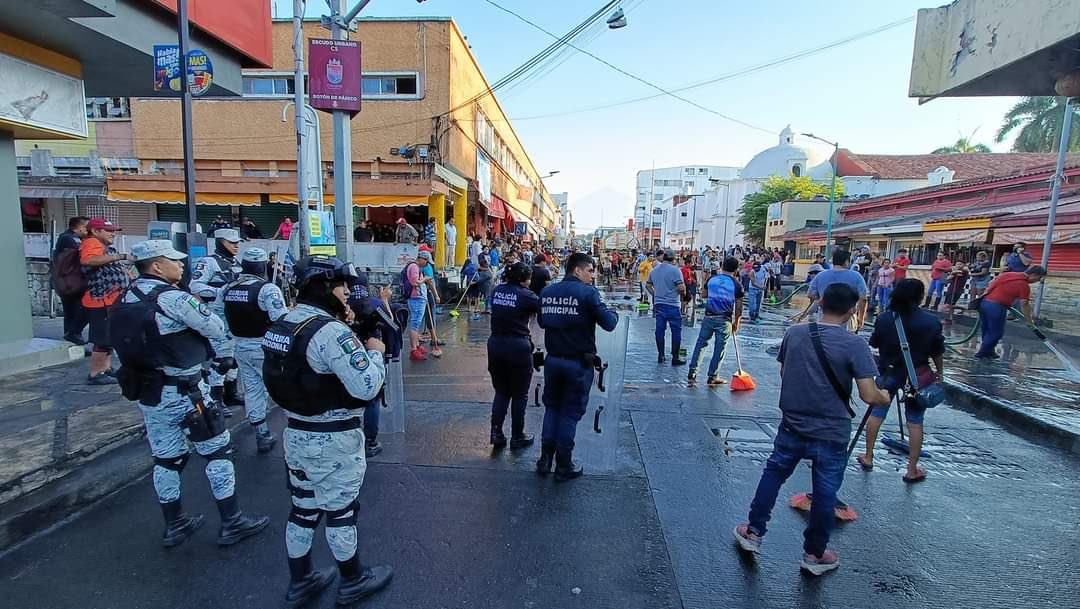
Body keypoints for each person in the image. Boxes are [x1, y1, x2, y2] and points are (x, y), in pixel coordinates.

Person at [114, 239, 268, 548]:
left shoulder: (125, 297)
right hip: (187, 392)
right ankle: (232, 520)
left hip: (150, 392)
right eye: (173, 260)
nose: (181, 264)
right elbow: (213, 325)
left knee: (166, 460)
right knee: (217, 452)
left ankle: (175, 523)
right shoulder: (173, 298)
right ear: (156, 266)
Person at [261, 255, 392, 608]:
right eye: (342, 285)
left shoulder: (283, 323)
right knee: (340, 511)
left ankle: (300, 580)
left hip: (297, 433)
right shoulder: (329, 332)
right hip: (333, 437)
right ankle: (353, 580)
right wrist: (375, 353)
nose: (348, 292)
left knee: (303, 508)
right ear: (321, 286)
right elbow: (366, 385)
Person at [733, 283, 891, 575]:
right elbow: (870, 395)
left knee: (774, 475)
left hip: (792, 424)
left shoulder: (795, 333)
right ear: (852, 310)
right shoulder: (855, 345)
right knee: (825, 492)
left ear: (820, 304)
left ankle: (753, 532)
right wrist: (885, 397)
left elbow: (784, 371)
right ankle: (814, 554)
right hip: (832, 431)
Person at [537, 253, 619, 481]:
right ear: (577, 270)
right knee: (570, 414)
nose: (593, 276)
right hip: (577, 363)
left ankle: (545, 459)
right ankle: (564, 464)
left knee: (552, 408)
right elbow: (610, 323)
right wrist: (610, 310)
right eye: (590, 271)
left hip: (553, 361)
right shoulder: (588, 293)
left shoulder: (548, 292)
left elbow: (543, 322)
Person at [859, 279, 944, 483]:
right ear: (919, 297)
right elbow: (937, 351)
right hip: (916, 376)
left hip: (888, 372)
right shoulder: (931, 322)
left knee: (877, 412)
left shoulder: (885, 319)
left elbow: (874, 342)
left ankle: (868, 456)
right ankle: (912, 468)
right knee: (915, 421)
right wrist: (940, 372)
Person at [222, 247, 289, 453]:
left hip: (240, 346)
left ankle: (262, 433)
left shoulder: (228, 288)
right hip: (266, 346)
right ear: (262, 266)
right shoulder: (267, 289)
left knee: (252, 390)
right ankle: (299, 430)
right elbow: (282, 319)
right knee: (284, 388)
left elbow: (219, 318)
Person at [191, 228, 246, 415]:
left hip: (235, 314)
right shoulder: (208, 262)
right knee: (222, 360)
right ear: (221, 242)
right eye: (232, 243)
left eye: (238, 243)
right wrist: (221, 292)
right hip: (216, 315)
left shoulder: (234, 262)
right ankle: (216, 398)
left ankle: (232, 393)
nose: (236, 246)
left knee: (234, 359)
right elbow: (195, 286)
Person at [486, 262, 540, 449]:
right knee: (519, 394)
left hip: (495, 344)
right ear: (524, 278)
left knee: (501, 391)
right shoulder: (527, 295)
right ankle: (517, 435)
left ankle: (496, 432)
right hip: (518, 346)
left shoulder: (497, 291)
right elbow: (542, 310)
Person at [80, 217, 134, 384]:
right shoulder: (91, 243)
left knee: (109, 337)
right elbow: (88, 260)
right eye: (108, 231)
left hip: (109, 300)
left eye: (113, 231)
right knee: (102, 338)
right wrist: (121, 256)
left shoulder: (104, 247)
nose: (113, 234)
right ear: (95, 231)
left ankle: (106, 368)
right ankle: (96, 373)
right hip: (101, 300)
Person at [688, 256, 743, 386]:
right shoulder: (736, 284)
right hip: (724, 320)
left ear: (722, 266)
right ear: (735, 270)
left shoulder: (712, 279)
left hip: (708, 317)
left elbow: (704, 295)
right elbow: (739, 307)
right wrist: (737, 323)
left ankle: (692, 372)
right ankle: (712, 376)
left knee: (701, 344)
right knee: (719, 348)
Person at [975, 265, 1046, 359]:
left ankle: (989, 351)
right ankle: (981, 354)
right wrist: (1029, 321)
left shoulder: (1008, 274)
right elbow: (1024, 304)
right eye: (1039, 278)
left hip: (984, 303)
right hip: (997, 307)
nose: (1037, 281)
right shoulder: (1023, 285)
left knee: (987, 330)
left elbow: (991, 284)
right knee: (996, 333)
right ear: (1033, 274)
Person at [794, 250, 867, 330]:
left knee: (823, 338)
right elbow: (863, 299)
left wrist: (822, 298)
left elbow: (810, 294)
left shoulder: (820, 275)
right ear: (846, 262)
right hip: (847, 318)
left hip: (825, 316)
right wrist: (861, 318)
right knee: (847, 339)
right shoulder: (856, 276)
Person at [647, 250, 686, 365]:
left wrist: (655, 294)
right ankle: (675, 357)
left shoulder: (654, 271)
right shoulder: (676, 271)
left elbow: (648, 285)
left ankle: (661, 355)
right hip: (673, 305)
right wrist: (683, 296)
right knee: (676, 332)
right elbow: (681, 288)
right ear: (673, 259)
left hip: (659, 305)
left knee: (659, 330)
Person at [54, 216, 90, 345]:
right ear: (80, 227)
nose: (88, 231)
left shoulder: (68, 237)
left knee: (73, 312)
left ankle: (72, 340)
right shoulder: (69, 238)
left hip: (69, 281)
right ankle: (72, 338)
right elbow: (82, 253)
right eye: (87, 227)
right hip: (69, 282)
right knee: (74, 312)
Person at [403, 251, 436, 360]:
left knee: (416, 322)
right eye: (426, 262)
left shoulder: (416, 267)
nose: (426, 264)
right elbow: (415, 283)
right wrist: (425, 279)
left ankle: (416, 346)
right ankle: (413, 349)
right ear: (422, 259)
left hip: (418, 298)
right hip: (416, 298)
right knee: (415, 324)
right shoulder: (414, 267)